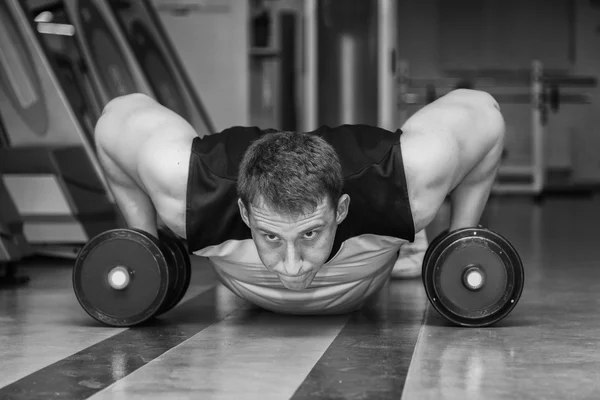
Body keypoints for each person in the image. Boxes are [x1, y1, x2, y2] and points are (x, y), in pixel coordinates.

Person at [94, 89, 505, 314]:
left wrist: (463, 236)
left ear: (341, 210)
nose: (292, 265)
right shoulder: (191, 194)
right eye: (270, 236)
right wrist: (142, 239)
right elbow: (116, 117)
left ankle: (414, 250)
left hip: (378, 229)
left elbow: (484, 112)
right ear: (242, 213)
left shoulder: (401, 185)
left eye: (310, 233)